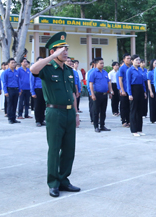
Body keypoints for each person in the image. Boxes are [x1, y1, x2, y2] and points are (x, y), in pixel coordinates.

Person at [30, 32, 81, 198]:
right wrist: (52, 57)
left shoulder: (68, 71)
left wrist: (76, 114)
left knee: (69, 149)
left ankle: (64, 179)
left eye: (66, 49)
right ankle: (53, 183)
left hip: (68, 112)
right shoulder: (46, 68)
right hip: (54, 112)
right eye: (61, 49)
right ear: (53, 51)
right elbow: (33, 69)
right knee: (54, 149)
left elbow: (73, 94)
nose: (65, 52)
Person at [88, 57, 113, 133]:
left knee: (103, 111)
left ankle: (102, 125)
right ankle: (96, 126)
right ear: (95, 64)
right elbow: (91, 84)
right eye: (100, 63)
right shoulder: (93, 73)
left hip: (104, 94)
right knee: (96, 111)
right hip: (97, 94)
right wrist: (92, 94)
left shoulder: (105, 72)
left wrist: (110, 91)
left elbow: (108, 82)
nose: (102, 64)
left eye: (103, 63)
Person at [127, 55, 147, 136]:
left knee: (140, 110)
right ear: (132, 61)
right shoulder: (130, 70)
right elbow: (128, 83)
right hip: (133, 89)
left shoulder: (140, 70)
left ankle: (139, 129)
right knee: (133, 110)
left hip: (140, 89)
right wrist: (130, 94)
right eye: (136, 60)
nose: (138, 61)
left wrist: (145, 92)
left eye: (139, 60)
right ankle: (134, 130)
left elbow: (143, 82)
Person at [2, 58, 21, 124]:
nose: (13, 64)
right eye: (12, 63)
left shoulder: (16, 72)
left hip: (16, 89)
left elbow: (19, 81)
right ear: (8, 64)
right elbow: (4, 82)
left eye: (14, 62)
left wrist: (19, 89)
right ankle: (10, 118)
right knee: (10, 105)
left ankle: (14, 118)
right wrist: (5, 91)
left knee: (15, 104)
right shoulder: (6, 72)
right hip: (9, 89)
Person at [117, 54, 132, 128]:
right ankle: (124, 121)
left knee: (130, 106)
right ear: (124, 60)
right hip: (124, 90)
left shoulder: (132, 68)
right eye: (127, 58)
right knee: (123, 106)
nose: (129, 60)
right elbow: (120, 80)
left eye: (130, 58)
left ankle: (129, 121)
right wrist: (122, 90)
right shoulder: (122, 68)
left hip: (130, 91)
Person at [31, 57, 46, 127]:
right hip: (37, 90)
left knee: (43, 106)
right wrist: (32, 92)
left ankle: (42, 120)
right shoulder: (34, 70)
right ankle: (38, 121)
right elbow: (31, 82)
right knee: (37, 106)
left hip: (45, 90)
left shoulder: (45, 70)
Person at [147, 60, 156, 124]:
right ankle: (153, 119)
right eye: (155, 63)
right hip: (152, 87)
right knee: (152, 103)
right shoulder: (150, 72)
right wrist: (151, 91)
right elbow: (148, 82)